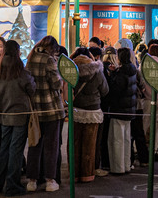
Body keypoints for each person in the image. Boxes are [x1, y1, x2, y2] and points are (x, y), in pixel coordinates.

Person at [0, 40, 35, 197]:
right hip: (19, 115)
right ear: (17, 51)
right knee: (16, 150)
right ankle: (12, 185)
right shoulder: (20, 70)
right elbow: (31, 88)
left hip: (3, 115)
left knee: (3, 149)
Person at [26, 35, 63, 192]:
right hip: (51, 109)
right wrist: (61, 79)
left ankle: (32, 181)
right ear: (52, 48)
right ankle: (50, 180)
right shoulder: (49, 60)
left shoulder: (31, 57)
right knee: (51, 146)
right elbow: (56, 83)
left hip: (35, 109)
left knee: (34, 144)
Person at [71, 52, 108, 182]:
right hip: (93, 110)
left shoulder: (71, 72)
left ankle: (74, 174)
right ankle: (87, 174)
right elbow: (105, 90)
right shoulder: (97, 73)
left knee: (74, 143)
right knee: (90, 144)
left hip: (76, 110)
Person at [104, 47, 138, 175]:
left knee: (117, 139)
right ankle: (127, 164)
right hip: (129, 110)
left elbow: (115, 91)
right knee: (126, 139)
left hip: (119, 109)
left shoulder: (122, 72)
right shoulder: (132, 70)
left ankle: (118, 168)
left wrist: (112, 75)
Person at [140, 44, 158, 162]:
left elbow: (140, 81)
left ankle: (140, 148)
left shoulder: (143, 65)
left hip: (147, 99)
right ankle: (154, 150)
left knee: (145, 124)